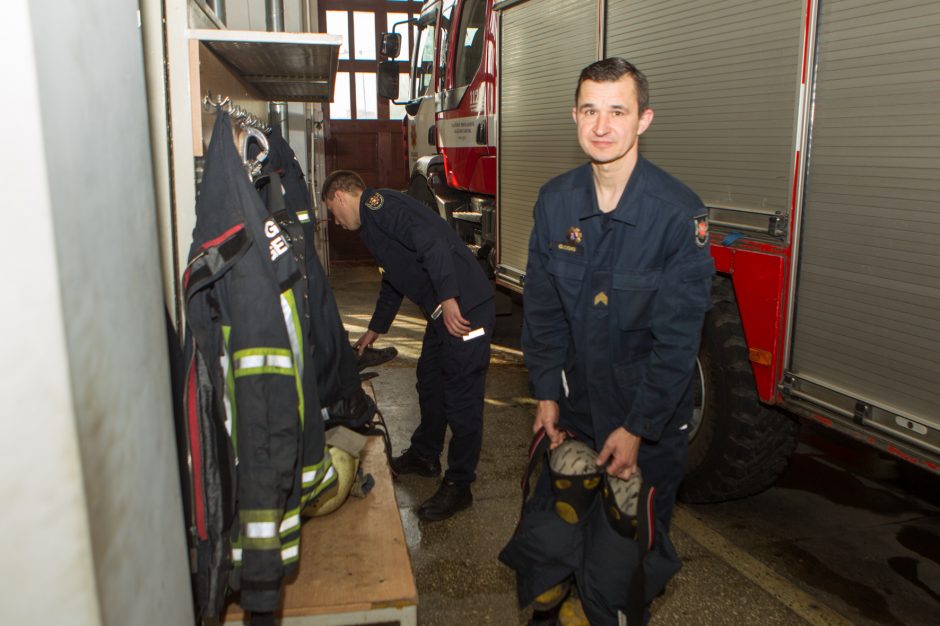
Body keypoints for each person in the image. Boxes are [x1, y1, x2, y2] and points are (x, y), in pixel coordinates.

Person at [499, 58, 714, 624]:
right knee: (545, 558)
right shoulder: (555, 202)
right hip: (574, 410)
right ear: (574, 116)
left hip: (647, 423)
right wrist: (546, 392)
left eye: (617, 111)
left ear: (643, 120)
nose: (601, 126)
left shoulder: (676, 215)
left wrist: (638, 428)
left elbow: (676, 343)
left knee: (618, 577)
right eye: (590, 110)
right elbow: (542, 311)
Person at [321, 170, 495, 521]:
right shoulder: (372, 225)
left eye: (332, 212)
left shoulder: (379, 206)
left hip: (464, 309)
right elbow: (393, 279)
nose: (336, 223)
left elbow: (430, 241)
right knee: (430, 381)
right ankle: (425, 454)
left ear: (339, 196)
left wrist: (448, 297)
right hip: (441, 313)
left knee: (462, 397)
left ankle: (460, 485)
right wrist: (375, 329)